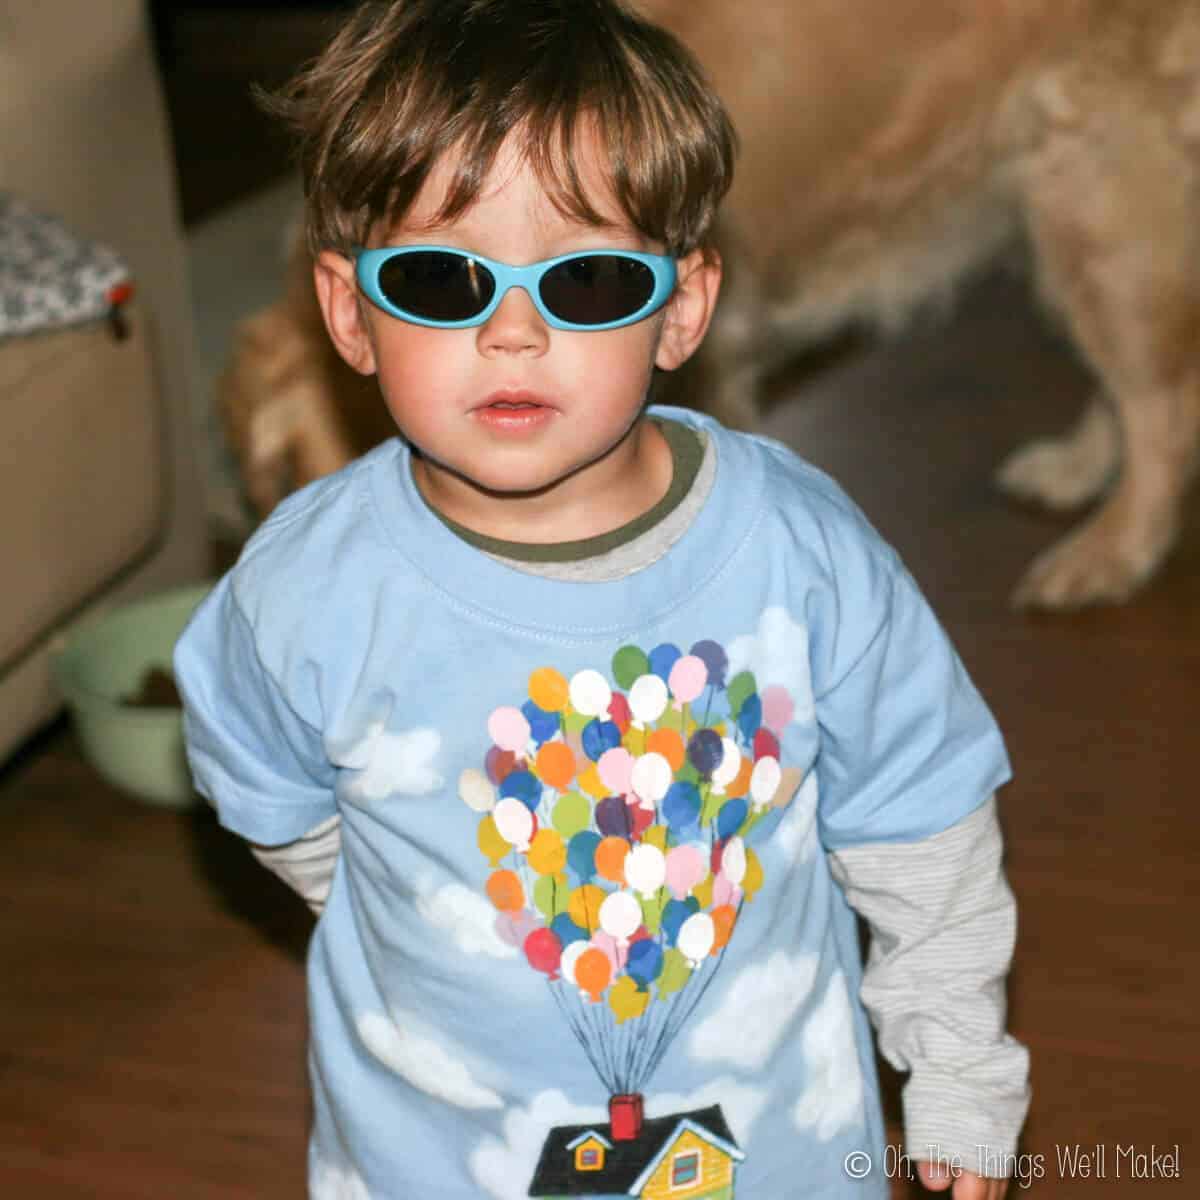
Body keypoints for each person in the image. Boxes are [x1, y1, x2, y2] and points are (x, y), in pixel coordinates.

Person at [174, 1, 1030, 1196]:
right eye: (439, 276)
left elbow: (921, 824)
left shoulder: (802, 555)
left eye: (583, 281)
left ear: (680, 309)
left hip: (777, 1159)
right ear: (348, 310)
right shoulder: (307, 589)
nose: (512, 333)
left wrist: (957, 1073)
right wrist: (410, 905)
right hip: (430, 1168)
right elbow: (272, 795)